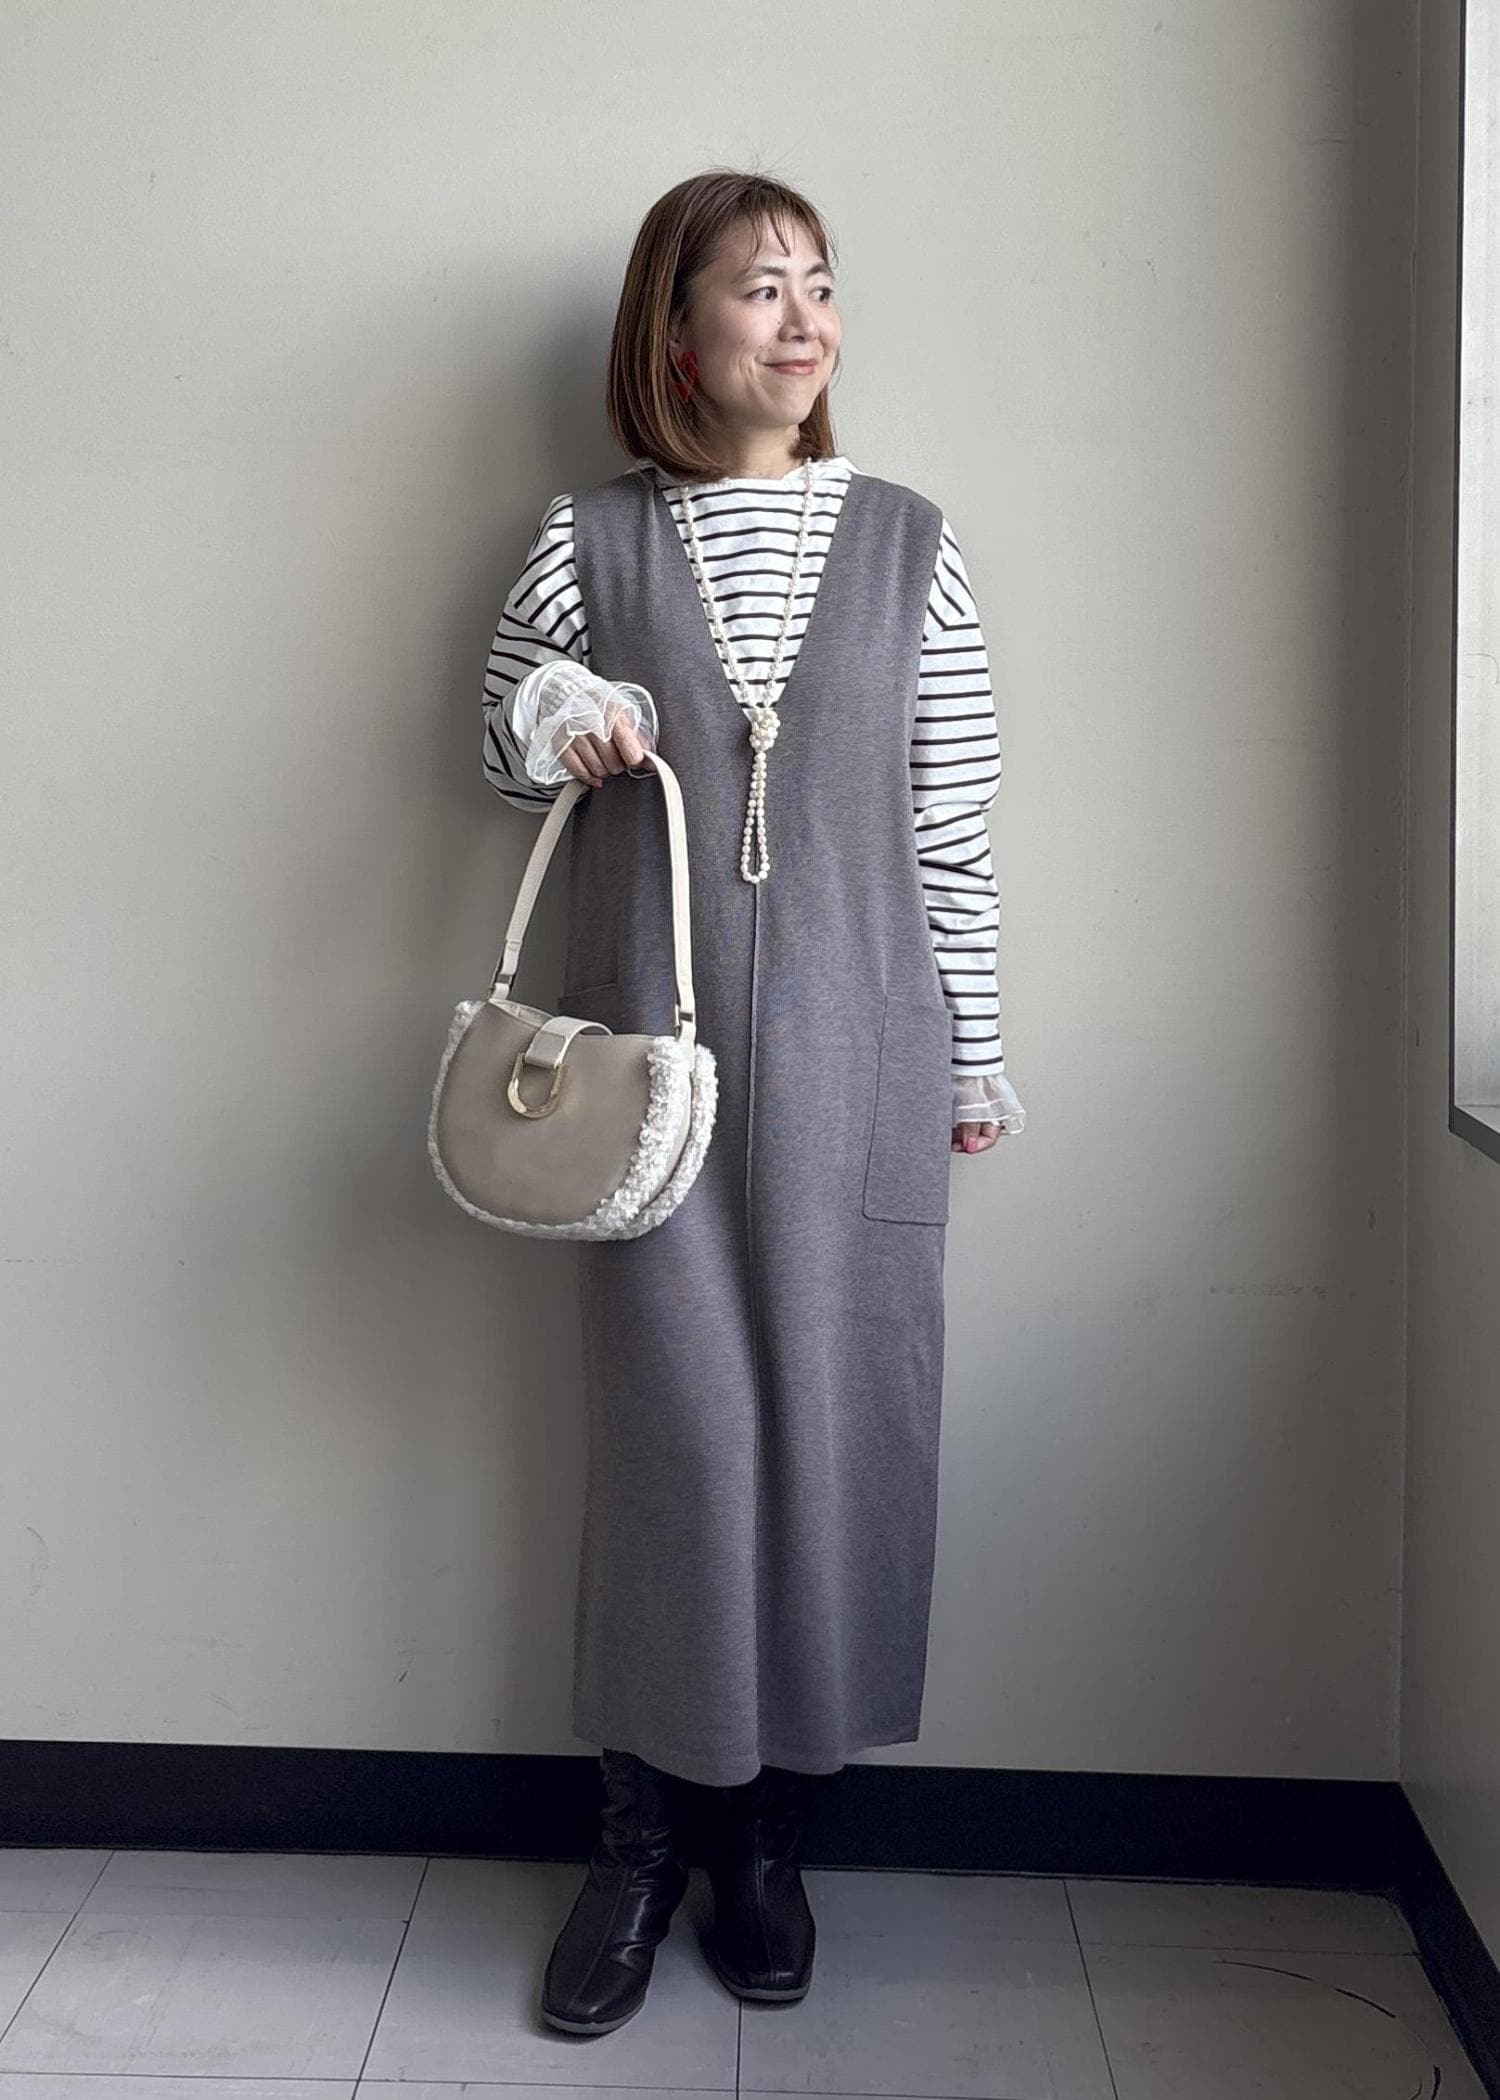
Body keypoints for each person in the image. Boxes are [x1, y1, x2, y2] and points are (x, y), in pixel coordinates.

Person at [478, 169, 1025, 2036]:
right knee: (680, 1446)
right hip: (655, 1079)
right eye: (758, 287)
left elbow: (952, 829)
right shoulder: (589, 539)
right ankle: (638, 1845)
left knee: (842, 1438)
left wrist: (975, 1051)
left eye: (820, 285)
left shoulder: (909, 543)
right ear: (677, 328)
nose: (803, 320)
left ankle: (768, 1843)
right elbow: (504, 732)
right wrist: (566, 714)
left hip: (868, 1066)